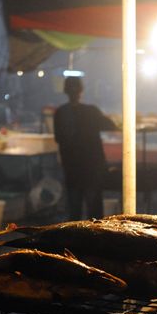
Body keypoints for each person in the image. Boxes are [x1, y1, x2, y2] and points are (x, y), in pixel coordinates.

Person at [53, 76, 117, 220]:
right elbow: (111, 125)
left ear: (65, 91)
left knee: (74, 213)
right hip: (92, 169)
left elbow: (58, 138)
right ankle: (95, 242)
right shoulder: (92, 111)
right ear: (82, 90)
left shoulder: (60, 113)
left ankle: (74, 241)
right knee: (95, 214)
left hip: (72, 169)